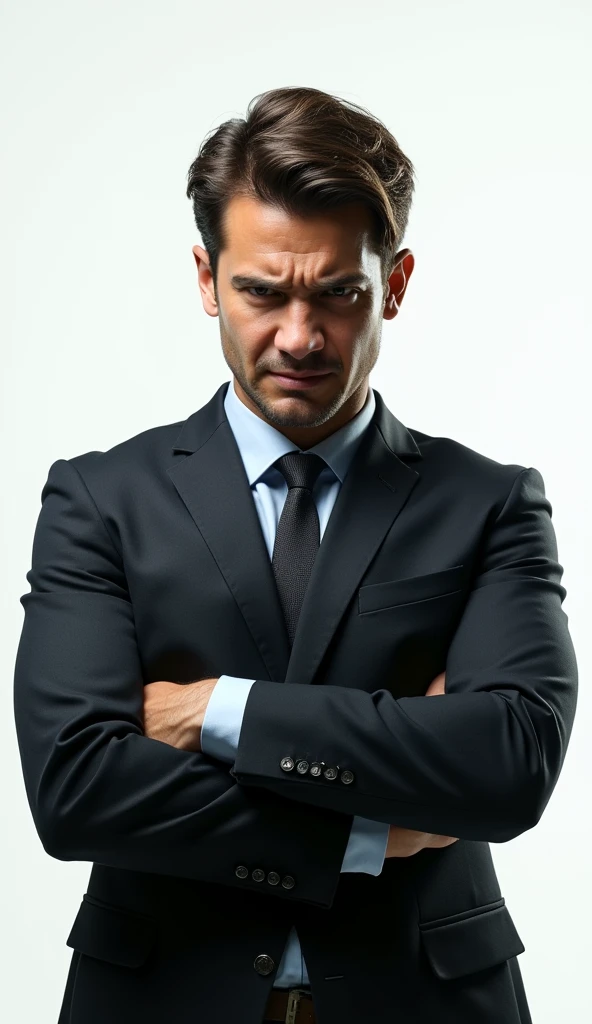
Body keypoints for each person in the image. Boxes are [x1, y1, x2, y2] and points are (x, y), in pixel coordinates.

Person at [13, 85, 577, 1024]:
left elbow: (509, 763)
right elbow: (77, 789)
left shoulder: (489, 503)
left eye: (340, 294)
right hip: (161, 996)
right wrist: (369, 830)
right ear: (206, 279)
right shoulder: (100, 499)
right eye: (261, 293)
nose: (300, 337)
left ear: (393, 283)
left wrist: (220, 712)